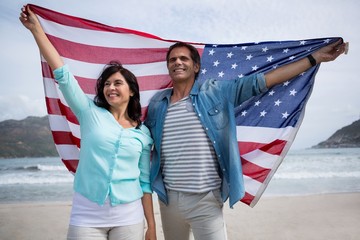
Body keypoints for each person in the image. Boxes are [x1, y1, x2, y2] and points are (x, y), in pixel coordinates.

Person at [145, 38, 346, 239]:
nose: (177, 62)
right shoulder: (157, 104)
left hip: (205, 200)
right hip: (168, 200)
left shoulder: (216, 92)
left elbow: (263, 81)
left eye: (183, 58)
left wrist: (315, 57)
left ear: (196, 66)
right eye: (172, 60)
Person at [20, 5, 156, 240]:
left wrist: (151, 226)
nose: (110, 88)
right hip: (87, 213)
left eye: (117, 83)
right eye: (106, 84)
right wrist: (37, 31)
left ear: (132, 91)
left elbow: (144, 182)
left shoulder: (143, 133)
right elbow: (63, 74)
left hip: (129, 215)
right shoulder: (88, 111)